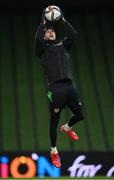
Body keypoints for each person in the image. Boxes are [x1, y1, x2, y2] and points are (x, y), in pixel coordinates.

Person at [35, 7, 83, 168]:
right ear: (44, 36)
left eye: (52, 31)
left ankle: (67, 127)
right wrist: (43, 22)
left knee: (80, 115)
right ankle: (54, 151)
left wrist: (62, 19)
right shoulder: (42, 49)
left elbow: (73, 34)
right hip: (55, 89)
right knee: (53, 123)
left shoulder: (63, 45)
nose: (50, 32)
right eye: (47, 32)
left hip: (69, 85)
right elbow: (38, 39)